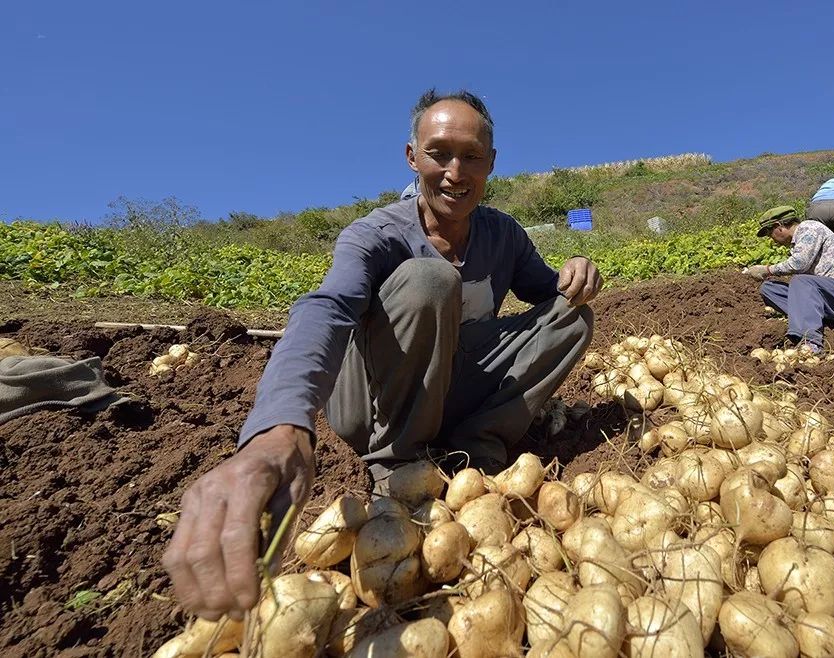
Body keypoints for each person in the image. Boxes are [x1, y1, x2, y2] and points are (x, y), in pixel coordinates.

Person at [162, 89, 602, 621]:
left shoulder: (503, 234)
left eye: (471, 157)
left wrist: (577, 266)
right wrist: (280, 425)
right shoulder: (376, 234)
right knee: (428, 280)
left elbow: (549, 295)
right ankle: (397, 466)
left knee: (572, 316)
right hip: (372, 401)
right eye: (439, 153)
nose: (455, 171)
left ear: (491, 164)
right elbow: (325, 309)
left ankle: (472, 448)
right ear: (412, 156)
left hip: (449, 386)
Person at [746, 205, 834, 354]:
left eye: (769, 233)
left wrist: (766, 270)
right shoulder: (798, 241)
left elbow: (799, 264)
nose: (772, 240)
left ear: (778, 227)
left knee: (801, 281)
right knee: (769, 289)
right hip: (830, 299)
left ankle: (810, 342)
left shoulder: (809, 228)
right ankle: (815, 318)